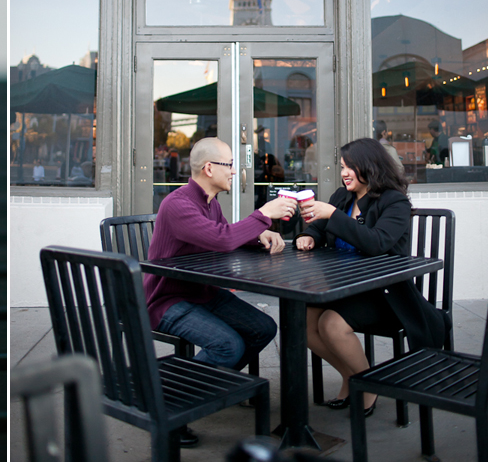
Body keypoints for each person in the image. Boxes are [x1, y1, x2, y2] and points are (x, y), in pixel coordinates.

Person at [143, 137, 296, 447]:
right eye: (230, 165)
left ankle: (216, 385)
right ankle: (168, 407)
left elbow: (225, 237)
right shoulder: (177, 203)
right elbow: (223, 239)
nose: (235, 172)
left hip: (202, 292)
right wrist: (265, 214)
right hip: (167, 299)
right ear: (209, 168)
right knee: (228, 346)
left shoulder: (210, 203)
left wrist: (258, 235)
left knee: (263, 328)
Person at [296, 138, 432, 418]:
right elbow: (321, 229)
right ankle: (351, 375)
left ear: (369, 167)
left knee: (330, 323)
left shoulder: (394, 202)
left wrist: (333, 215)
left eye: (350, 167)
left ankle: (368, 385)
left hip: (386, 294)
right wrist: (309, 236)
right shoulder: (342, 196)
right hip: (344, 287)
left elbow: (376, 243)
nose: (344, 173)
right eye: (342, 167)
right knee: (303, 320)